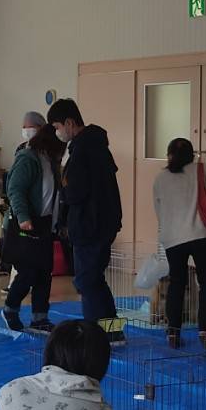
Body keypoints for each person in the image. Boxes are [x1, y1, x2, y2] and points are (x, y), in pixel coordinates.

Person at [46, 99, 122, 333]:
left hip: (89, 225)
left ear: (69, 123)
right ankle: (112, 331)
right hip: (104, 223)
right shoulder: (98, 146)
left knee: (86, 281)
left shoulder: (82, 151)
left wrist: (63, 188)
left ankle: (94, 333)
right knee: (95, 279)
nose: (57, 132)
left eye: (57, 127)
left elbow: (75, 192)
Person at [153, 138, 206, 349]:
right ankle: (205, 330)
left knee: (177, 282)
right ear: (192, 155)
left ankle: (173, 332)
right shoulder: (203, 170)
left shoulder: (160, 179)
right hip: (203, 234)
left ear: (169, 156)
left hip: (173, 238)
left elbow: (159, 211)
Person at [1, 123, 63, 333]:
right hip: (26, 223)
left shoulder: (51, 161)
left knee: (45, 273)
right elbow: (15, 189)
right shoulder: (28, 159)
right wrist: (23, 217)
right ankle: (10, 308)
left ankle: (40, 318)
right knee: (28, 272)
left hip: (45, 223)